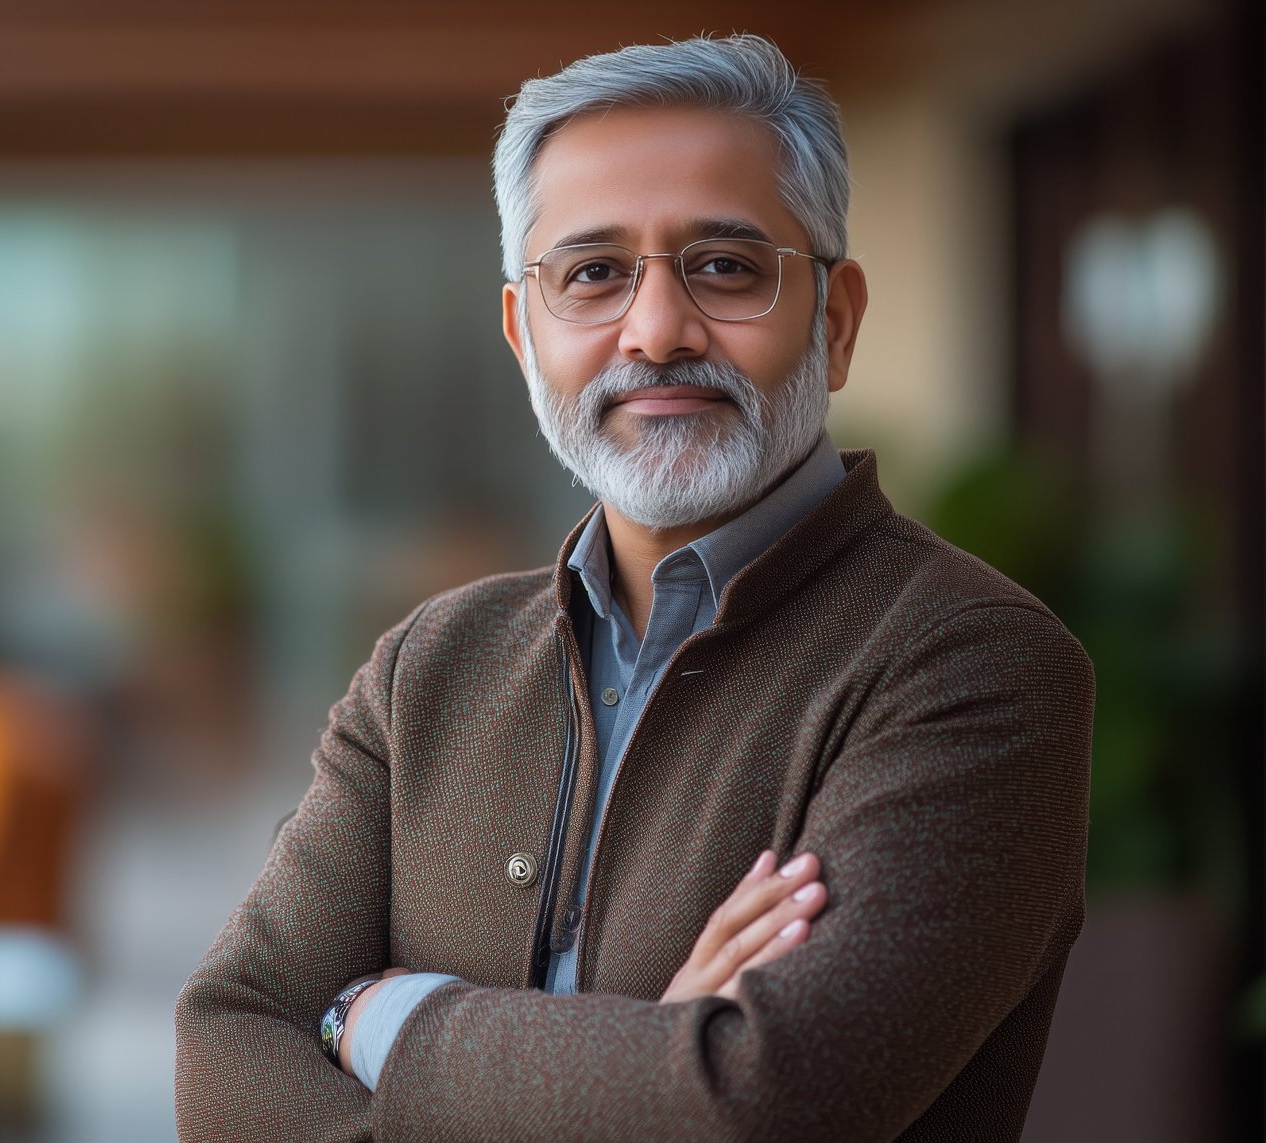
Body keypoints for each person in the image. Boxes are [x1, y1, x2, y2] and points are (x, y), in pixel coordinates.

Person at [173, 32, 1092, 1143]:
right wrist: (658, 1056)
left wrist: (387, 1018)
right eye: (594, 274)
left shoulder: (973, 662)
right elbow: (224, 1048)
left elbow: (766, 1104)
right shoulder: (428, 667)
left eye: (727, 266)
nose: (656, 333)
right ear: (524, 334)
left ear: (836, 321)